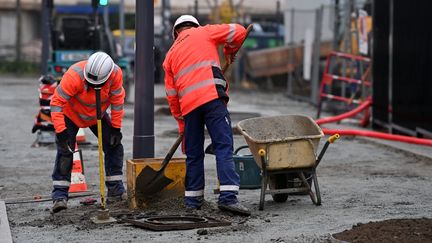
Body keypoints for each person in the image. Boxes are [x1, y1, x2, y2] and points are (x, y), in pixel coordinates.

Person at [163, 15, 250, 216]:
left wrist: (182, 125)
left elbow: (172, 96)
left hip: (189, 108)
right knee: (223, 146)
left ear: (176, 33)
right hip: (212, 99)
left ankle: (193, 200)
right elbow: (239, 31)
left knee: (193, 154)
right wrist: (230, 51)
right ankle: (228, 198)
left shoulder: (169, 56)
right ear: (195, 25)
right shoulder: (205, 32)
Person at [50, 52, 126, 213]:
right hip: (70, 115)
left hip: (98, 114)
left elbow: (117, 102)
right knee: (65, 152)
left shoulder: (115, 75)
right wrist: (61, 132)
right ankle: (59, 197)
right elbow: (56, 103)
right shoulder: (74, 75)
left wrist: (116, 129)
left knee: (114, 146)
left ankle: (115, 190)